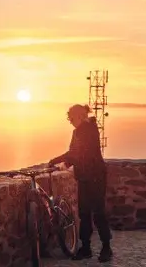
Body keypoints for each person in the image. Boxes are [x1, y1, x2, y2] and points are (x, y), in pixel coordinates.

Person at [48, 104, 112, 262]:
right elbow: (73, 152)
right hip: (84, 177)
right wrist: (65, 162)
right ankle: (86, 248)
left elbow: (77, 152)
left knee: (98, 213)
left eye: (71, 117)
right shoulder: (78, 131)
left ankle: (106, 247)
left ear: (78, 116)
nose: (69, 121)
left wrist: (56, 160)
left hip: (96, 176)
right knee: (84, 213)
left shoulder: (89, 129)